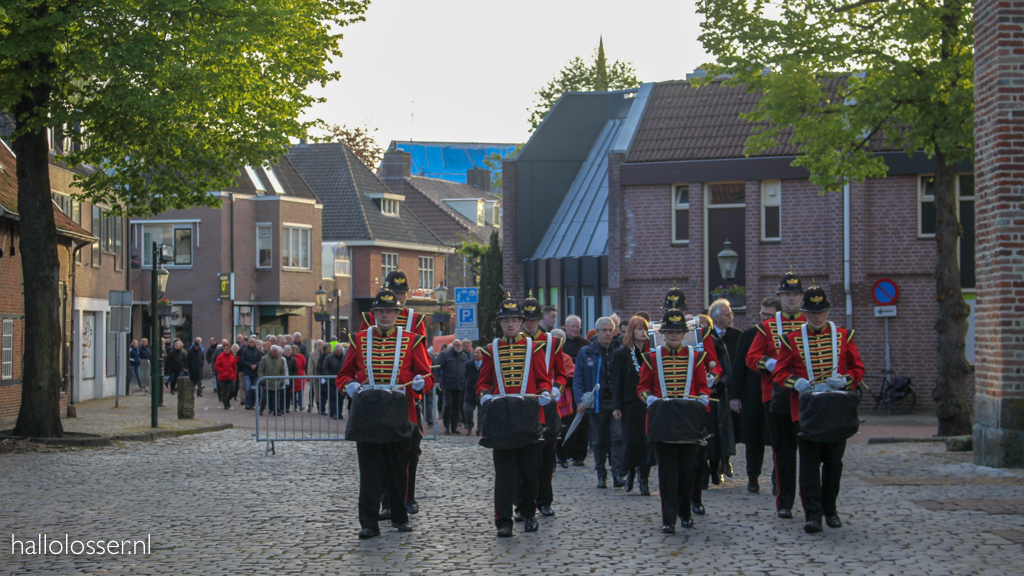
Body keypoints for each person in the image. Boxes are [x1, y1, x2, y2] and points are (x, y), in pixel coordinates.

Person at [338, 289, 434, 539]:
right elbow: (344, 374)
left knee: (397, 468)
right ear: (375, 314)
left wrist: (420, 383)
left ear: (396, 313)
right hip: (369, 413)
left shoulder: (412, 340)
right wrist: (349, 386)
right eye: (381, 311)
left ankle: (399, 516)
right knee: (369, 471)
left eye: (390, 311)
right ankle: (368, 522)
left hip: (400, 413)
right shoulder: (358, 339)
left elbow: (427, 375)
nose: (385, 316)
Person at [774, 287, 864, 533]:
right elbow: (780, 372)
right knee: (810, 466)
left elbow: (858, 369)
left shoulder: (844, 336)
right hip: (806, 411)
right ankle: (813, 514)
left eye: (821, 312)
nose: (817, 317)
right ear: (804, 313)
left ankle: (830, 510)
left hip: (835, 409)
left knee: (834, 463)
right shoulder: (791, 339)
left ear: (827, 312)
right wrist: (795, 382)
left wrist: (845, 380)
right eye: (812, 313)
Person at [475, 296, 553, 537]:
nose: (510, 324)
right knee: (504, 474)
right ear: (499, 323)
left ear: (521, 322)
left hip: (528, 416)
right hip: (501, 419)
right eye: (505, 320)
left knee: (530, 471)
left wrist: (545, 392)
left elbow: (542, 379)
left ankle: (528, 514)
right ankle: (503, 521)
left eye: (514, 320)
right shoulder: (490, 350)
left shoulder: (534, 347)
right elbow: (482, 383)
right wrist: (486, 395)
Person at [637, 309, 711, 534]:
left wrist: (704, 396)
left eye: (678, 332)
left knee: (687, 471)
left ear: (683, 333)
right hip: (663, 420)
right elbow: (642, 387)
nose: (674, 336)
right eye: (670, 332)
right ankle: (668, 518)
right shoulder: (651, 358)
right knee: (667, 473)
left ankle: (685, 512)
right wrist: (649, 398)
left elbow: (702, 386)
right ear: (664, 333)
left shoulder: (696, 357)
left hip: (688, 421)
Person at [746, 271, 806, 519]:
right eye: (787, 294)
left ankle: (811, 501)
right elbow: (751, 358)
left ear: (802, 297)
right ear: (781, 297)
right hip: (777, 394)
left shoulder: (810, 323)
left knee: (810, 452)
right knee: (783, 451)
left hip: (806, 395)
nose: (791, 299)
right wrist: (768, 364)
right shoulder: (768, 327)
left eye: (795, 294)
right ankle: (785, 501)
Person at [520, 294, 567, 518]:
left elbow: (561, 373)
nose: (530, 323)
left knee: (546, 459)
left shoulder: (553, 342)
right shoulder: (513, 341)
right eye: (526, 319)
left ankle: (545, 501)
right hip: (522, 406)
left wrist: (557, 386)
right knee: (521, 459)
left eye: (534, 319)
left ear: (540, 319)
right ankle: (521, 503)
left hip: (547, 405)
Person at [729, 297, 781, 494]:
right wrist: (735, 396)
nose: (765, 319)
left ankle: (778, 479)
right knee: (753, 440)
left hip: (778, 394)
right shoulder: (751, 335)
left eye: (770, 315)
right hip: (753, 395)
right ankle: (753, 477)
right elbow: (738, 367)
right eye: (763, 314)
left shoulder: (786, 335)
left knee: (779, 440)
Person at [573, 316, 623, 489]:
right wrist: (581, 400)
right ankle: (601, 475)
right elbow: (578, 378)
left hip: (615, 402)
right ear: (597, 331)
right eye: (604, 330)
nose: (608, 334)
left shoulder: (619, 350)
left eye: (610, 330)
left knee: (617, 438)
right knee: (599, 441)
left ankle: (617, 474)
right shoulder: (586, 352)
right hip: (596, 403)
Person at [611, 315, 653, 496]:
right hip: (629, 404)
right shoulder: (622, 354)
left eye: (645, 329)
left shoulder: (653, 353)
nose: (643, 333)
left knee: (646, 442)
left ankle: (644, 478)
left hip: (648, 404)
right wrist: (617, 406)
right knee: (631, 441)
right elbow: (617, 381)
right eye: (639, 329)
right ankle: (631, 473)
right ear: (632, 332)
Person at [551, 328, 578, 467]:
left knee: (563, 427)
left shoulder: (565, 358)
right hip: (547, 395)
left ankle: (562, 456)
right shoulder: (544, 356)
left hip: (562, 395)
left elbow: (570, 377)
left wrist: (557, 383)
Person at [436, 339, 469, 434]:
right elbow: (437, 368)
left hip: (460, 385)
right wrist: (438, 380)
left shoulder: (464, 356)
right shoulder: (446, 355)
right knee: (448, 405)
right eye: (457, 345)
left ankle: (454, 427)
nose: (459, 347)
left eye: (460, 345)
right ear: (453, 346)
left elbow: (467, 370)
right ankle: (447, 426)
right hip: (448, 385)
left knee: (457, 407)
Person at [258, 345, 288, 416]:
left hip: (276, 381)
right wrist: (261, 379)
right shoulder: (264, 359)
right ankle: (261, 409)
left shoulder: (281, 360)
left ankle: (276, 411)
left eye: (276, 351)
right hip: (267, 381)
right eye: (273, 351)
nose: (275, 353)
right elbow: (260, 370)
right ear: (271, 351)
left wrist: (282, 381)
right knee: (265, 397)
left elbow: (282, 371)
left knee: (276, 398)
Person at [321, 343, 347, 418]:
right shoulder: (329, 358)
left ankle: (339, 413)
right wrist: (329, 376)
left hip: (341, 381)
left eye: (340, 352)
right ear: (334, 351)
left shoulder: (345, 358)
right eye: (337, 352)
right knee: (332, 397)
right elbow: (325, 368)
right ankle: (333, 412)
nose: (338, 353)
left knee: (340, 398)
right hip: (332, 381)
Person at [462, 347, 483, 435]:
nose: (475, 354)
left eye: (478, 353)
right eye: (474, 352)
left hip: (482, 391)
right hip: (470, 391)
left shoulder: (486, 364)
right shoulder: (468, 364)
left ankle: (480, 430)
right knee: (467, 410)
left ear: (482, 355)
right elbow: (465, 376)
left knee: (481, 413)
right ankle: (469, 426)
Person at [240, 336, 264, 410]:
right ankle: (248, 403)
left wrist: (255, 365)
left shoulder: (258, 351)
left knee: (254, 389)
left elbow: (261, 360)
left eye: (253, 342)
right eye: (250, 342)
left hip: (255, 373)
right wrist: (250, 365)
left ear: (255, 343)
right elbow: (242, 361)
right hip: (247, 372)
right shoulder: (244, 351)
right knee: (248, 389)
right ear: (248, 343)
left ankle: (252, 403)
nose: (251, 343)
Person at [215, 344, 240, 409]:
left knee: (232, 390)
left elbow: (234, 367)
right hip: (222, 377)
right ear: (223, 349)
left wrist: (235, 376)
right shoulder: (220, 357)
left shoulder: (232, 357)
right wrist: (222, 371)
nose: (227, 350)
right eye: (226, 348)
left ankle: (227, 400)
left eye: (228, 348)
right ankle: (225, 404)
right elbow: (216, 366)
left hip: (231, 376)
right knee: (224, 391)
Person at [308, 340, 324, 412]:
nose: (320, 346)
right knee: (314, 391)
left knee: (323, 391)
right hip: (315, 376)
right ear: (316, 346)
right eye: (318, 344)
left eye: (321, 344)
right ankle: (312, 405)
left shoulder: (325, 353)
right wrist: (311, 376)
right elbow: (310, 367)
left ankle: (322, 407)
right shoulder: (312, 354)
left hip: (324, 376)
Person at [292, 344, 307, 411]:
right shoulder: (291, 357)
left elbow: (305, 365)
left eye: (295, 349)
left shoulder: (301, 357)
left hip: (300, 375)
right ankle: (294, 405)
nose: (294, 351)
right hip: (293, 376)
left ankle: (301, 405)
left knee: (300, 391)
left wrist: (306, 374)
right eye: (292, 349)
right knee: (293, 392)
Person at [283, 346, 298, 413]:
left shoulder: (293, 360)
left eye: (289, 350)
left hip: (290, 379)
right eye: (286, 350)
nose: (287, 351)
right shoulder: (282, 359)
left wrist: (292, 378)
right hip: (282, 379)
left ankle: (287, 407)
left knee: (288, 394)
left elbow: (295, 370)